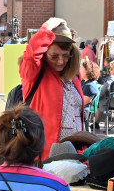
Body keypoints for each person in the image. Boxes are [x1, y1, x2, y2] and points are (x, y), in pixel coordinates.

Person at [20, 17, 83, 162]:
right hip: (44, 154)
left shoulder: (74, 76)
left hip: (74, 152)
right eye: (54, 56)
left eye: (65, 56)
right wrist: (46, 29)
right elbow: (31, 54)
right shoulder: (34, 74)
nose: (60, 61)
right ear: (44, 54)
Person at [80, 59, 100, 126]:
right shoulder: (86, 83)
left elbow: (81, 103)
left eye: (81, 68)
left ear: (87, 71)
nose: (80, 70)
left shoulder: (90, 86)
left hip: (81, 115)